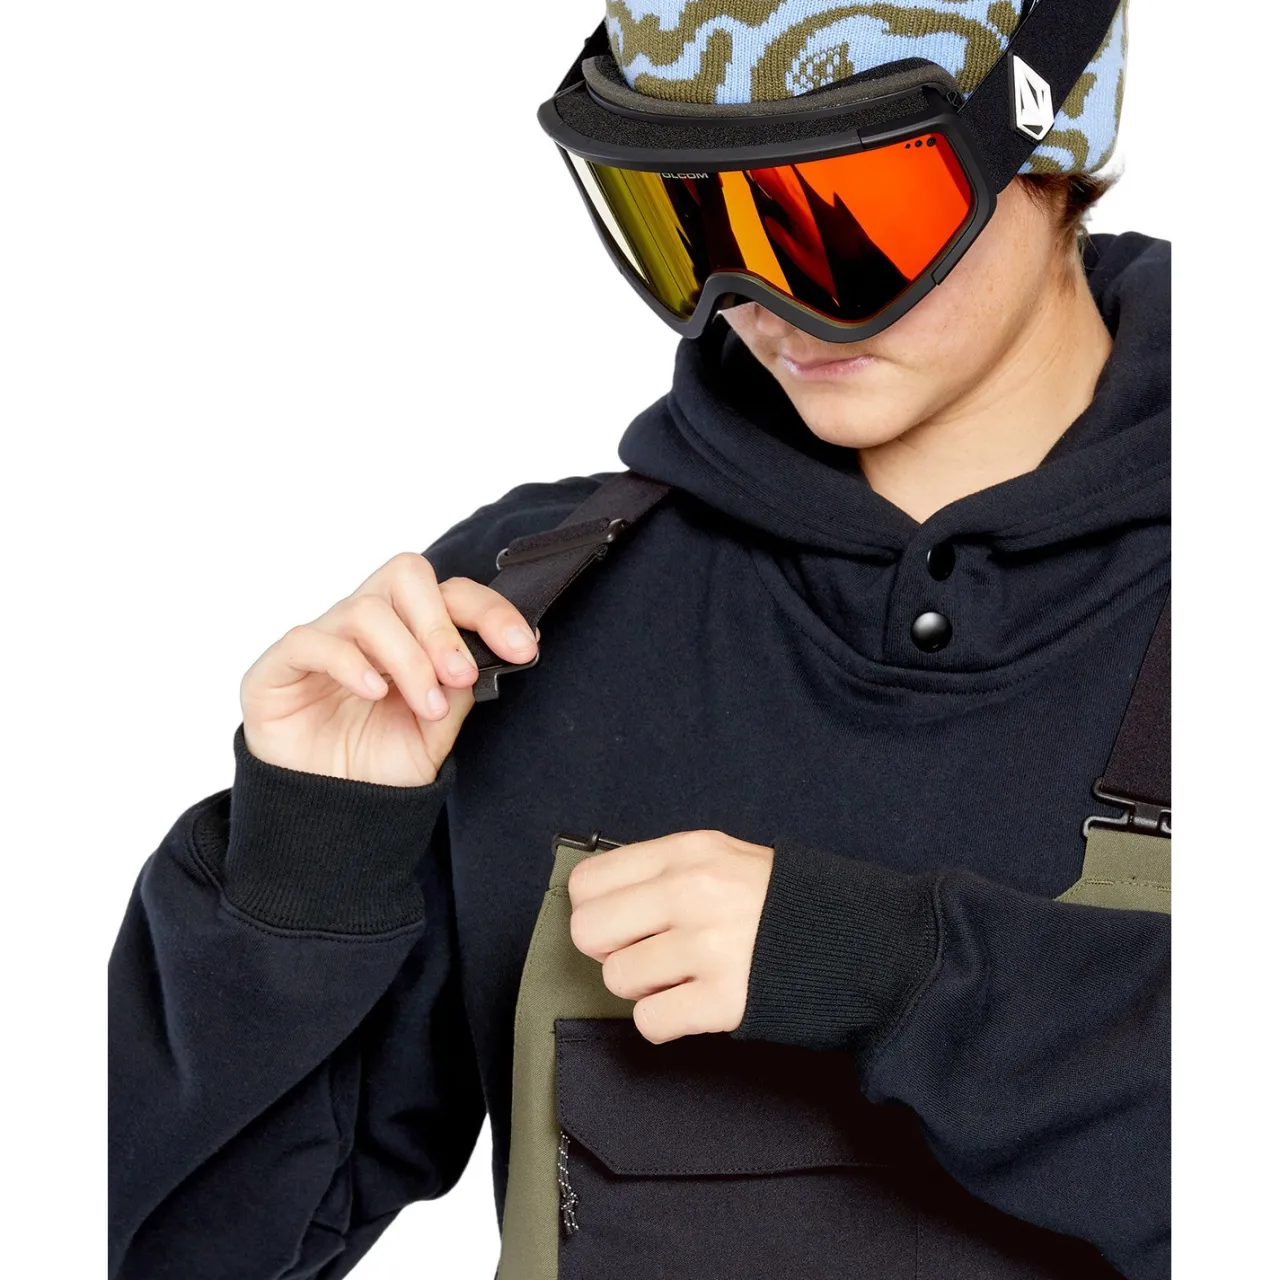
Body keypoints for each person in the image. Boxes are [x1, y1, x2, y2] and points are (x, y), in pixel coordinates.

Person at [108, 2, 1169, 1278]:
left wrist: (891, 971)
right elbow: (192, 1248)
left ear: (1041, 129)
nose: (761, 301)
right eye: (687, 223)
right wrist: (308, 860)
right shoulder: (522, 616)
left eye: (843, 213)